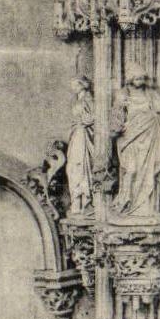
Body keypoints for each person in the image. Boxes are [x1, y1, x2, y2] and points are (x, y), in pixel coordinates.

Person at [110, 70, 160, 219]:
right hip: (130, 137)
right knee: (131, 169)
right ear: (130, 78)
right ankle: (126, 203)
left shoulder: (150, 93)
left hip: (149, 136)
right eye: (136, 77)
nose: (139, 80)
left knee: (149, 170)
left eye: (141, 78)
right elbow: (116, 114)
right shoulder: (123, 93)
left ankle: (144, 207)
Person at [65, 75, 94, 215]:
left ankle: (85, 202)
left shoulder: (88, 99)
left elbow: (94, 116)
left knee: (80, 166)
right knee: (73, 167)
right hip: (76, 134)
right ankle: (77, 202)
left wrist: (84, 121)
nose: (73, 88)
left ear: (83, 85)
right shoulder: (77, 100)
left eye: (75, 85)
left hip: (83, 135)